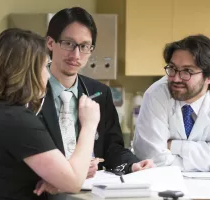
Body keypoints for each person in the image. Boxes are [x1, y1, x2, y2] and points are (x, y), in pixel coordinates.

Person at [0, 28, 101, 200]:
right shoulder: (18, 120)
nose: (48, 75)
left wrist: (57, 176)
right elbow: (74, 183)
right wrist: (89, 125)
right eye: (45, 66)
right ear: (28, 72)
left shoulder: (0, 111)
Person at [39, 6, 153, 181]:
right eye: (68, 43)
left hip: (90, 192)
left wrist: (131, 165)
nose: (76, 54)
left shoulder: (99, 93)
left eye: (84, 46)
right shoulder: (30, 92)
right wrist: (71, 168)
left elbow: (111, 148)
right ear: (50, 43)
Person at [133, 34, 210, 172]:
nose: (175, 78)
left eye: (187, 71)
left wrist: (175, 147)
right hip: (164, 187)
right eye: (172, 68)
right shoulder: (156, 94)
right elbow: (151, 159)